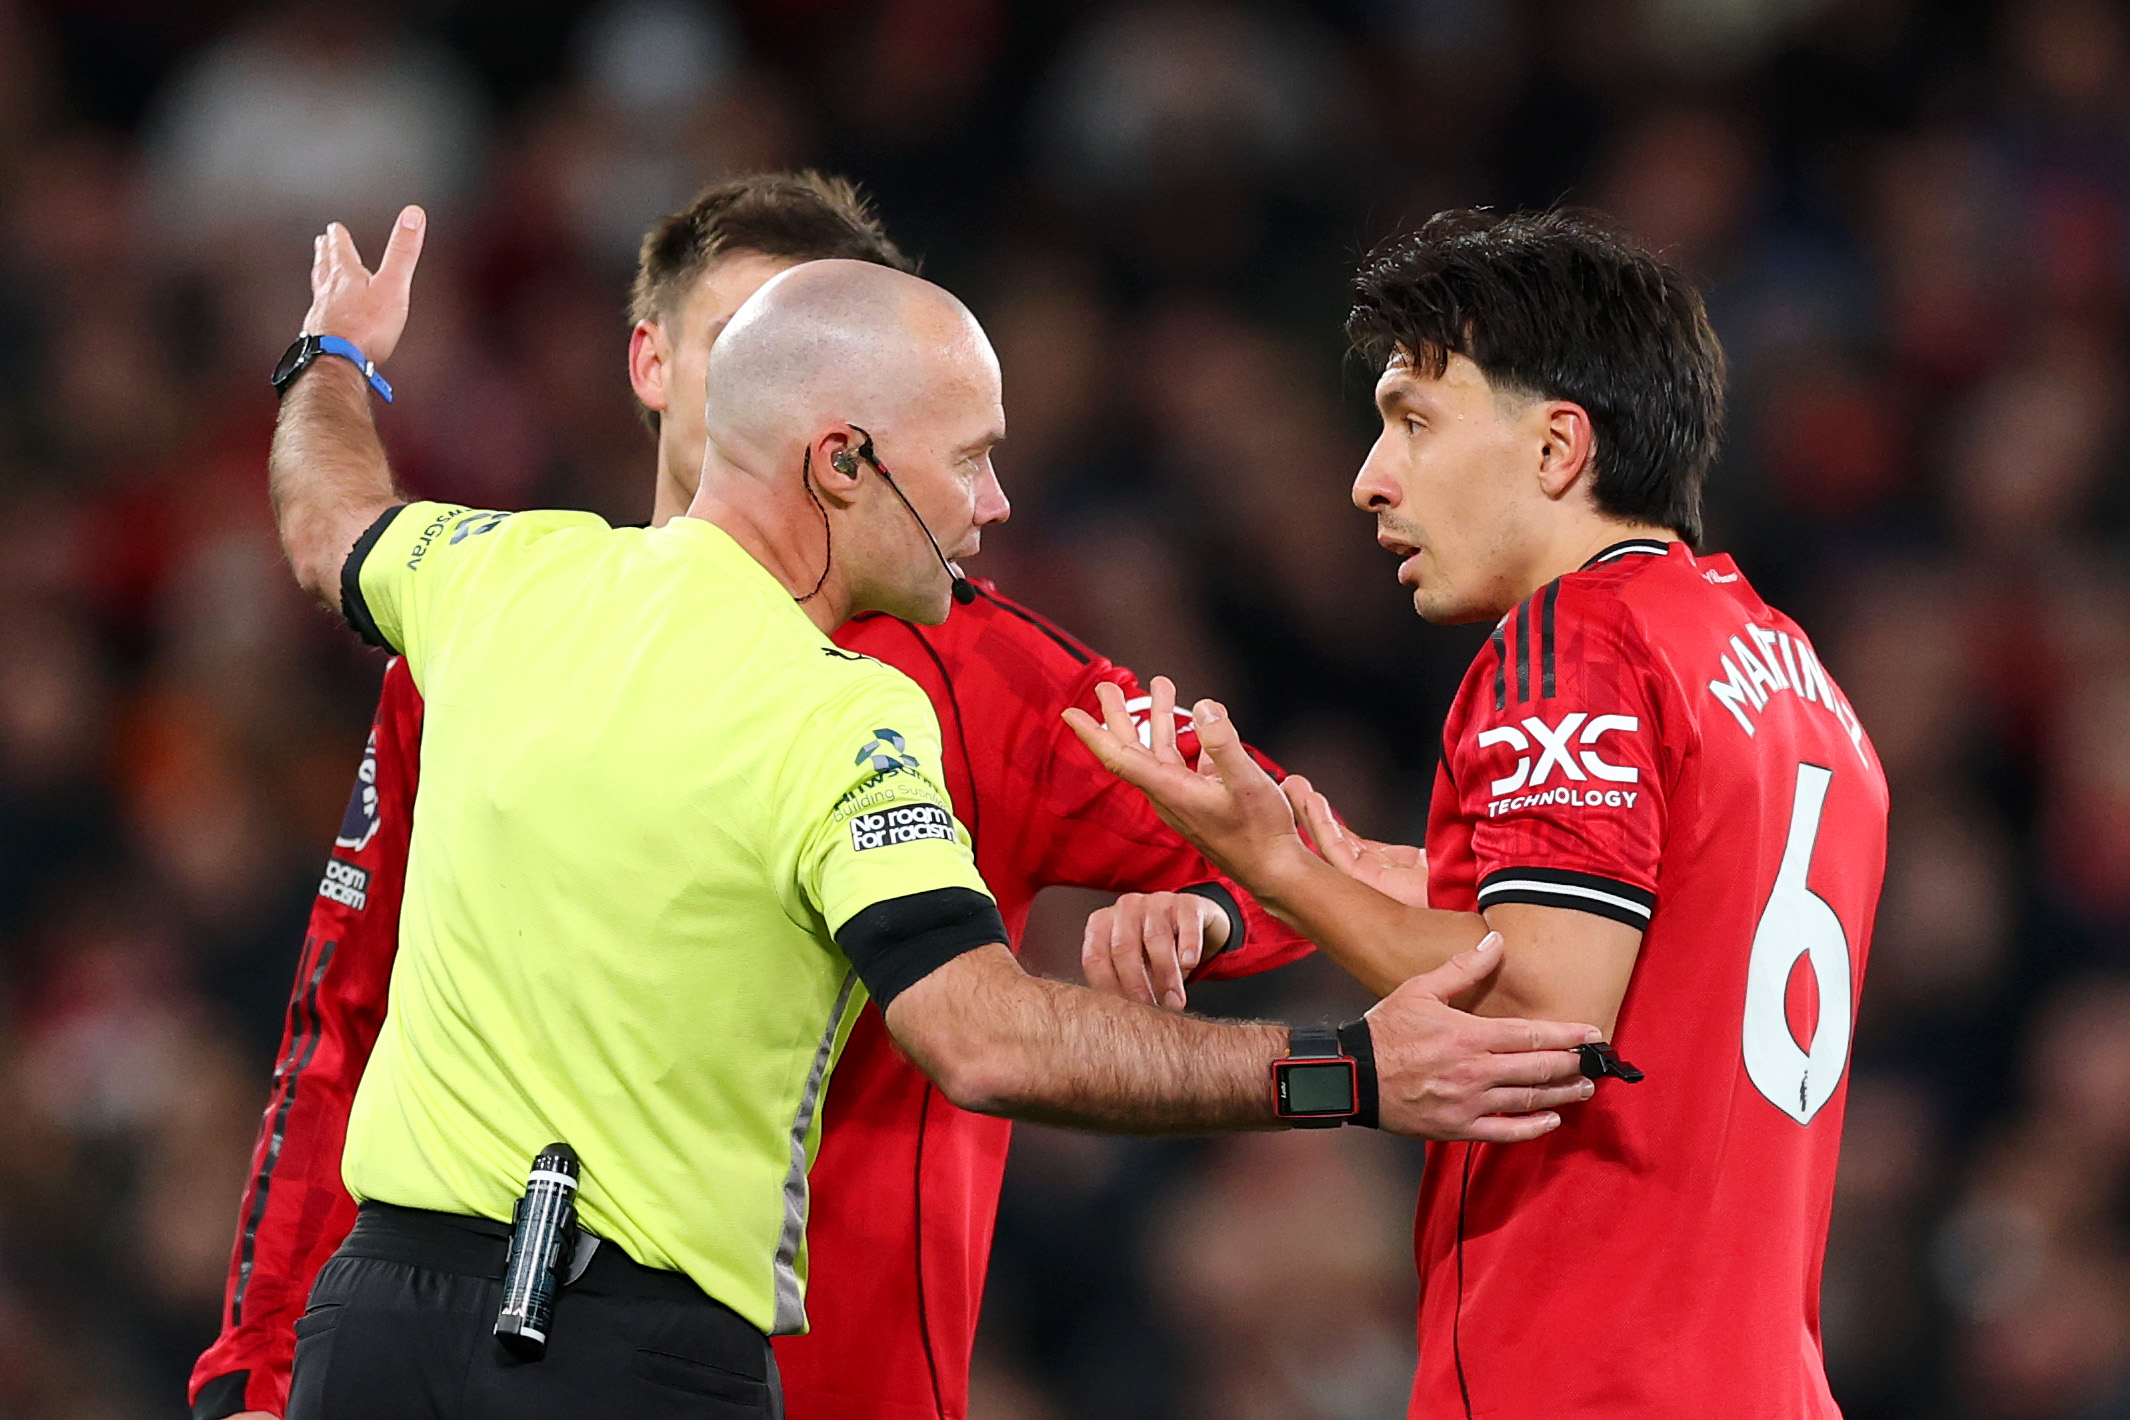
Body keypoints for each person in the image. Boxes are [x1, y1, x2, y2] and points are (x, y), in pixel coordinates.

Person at [259, 205, 1603, 1417]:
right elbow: (982, 1036)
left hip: (380, 1328)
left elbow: (330, 518)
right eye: (968, 460)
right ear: (840, 461)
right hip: (627, 1356)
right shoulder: (839, 712)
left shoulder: (503, 572)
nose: (997, 504)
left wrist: (334, 359)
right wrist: (1351, 1075)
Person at [1070, 209, 1889, 1419]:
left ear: (1560, 446)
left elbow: (1546, 1007)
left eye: (1414, 421)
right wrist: (1313, 874)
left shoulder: (1571, 642)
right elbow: (1636, 931)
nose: (1369, 478)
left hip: (1589, 1378)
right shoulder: (1788, 668)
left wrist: (1277, 871)